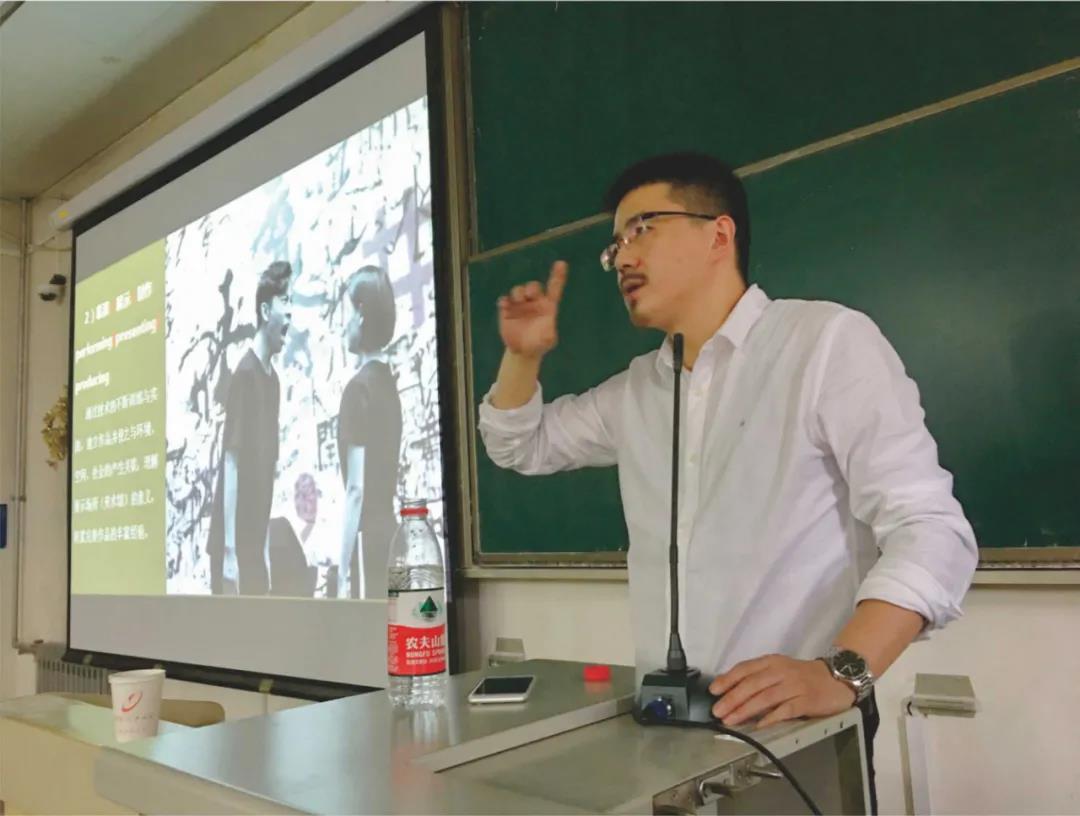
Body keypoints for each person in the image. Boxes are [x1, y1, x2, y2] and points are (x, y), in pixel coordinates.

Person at [478, 153, 978, 813]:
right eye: (615, 244)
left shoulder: (824, 343)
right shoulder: (638, 389)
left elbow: (932, 531)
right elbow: (520, 444)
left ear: (719, 234)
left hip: (793, 732)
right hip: (666, 732)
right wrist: (522, 357)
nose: (623, 257)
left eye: (642, 229)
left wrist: (842, 672)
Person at [207, 260, 292, 595]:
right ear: (266, 310)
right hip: (233, 545)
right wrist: (230, 553)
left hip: (255, 546)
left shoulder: (274, 382)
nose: (290, 313)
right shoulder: (244, 374)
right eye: (286, 302)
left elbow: (266, 471)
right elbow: (231, 463)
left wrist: (264, 547)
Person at [337, 265, 402, 599]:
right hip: (391, 537)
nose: (343, 324)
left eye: (346, 313)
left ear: (361, 315)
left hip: (367, 547)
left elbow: (356, 491)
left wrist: (341, 569)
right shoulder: (388, 384)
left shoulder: (357, 389)